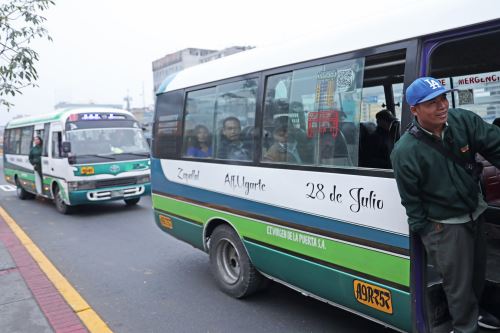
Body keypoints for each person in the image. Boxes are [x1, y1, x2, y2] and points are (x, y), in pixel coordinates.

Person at [390, 77, 500, 333]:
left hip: (475, 213)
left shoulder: (463, 121)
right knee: (458, 286)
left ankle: (475, 314)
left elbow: (495, 144)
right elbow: (412, 201)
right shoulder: (405, 151)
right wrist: (429, 232)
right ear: (414, 110)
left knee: (476, 276)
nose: (441, 106)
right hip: (445, 225)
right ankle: (464, 328)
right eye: (431, 103)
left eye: (443, 99)